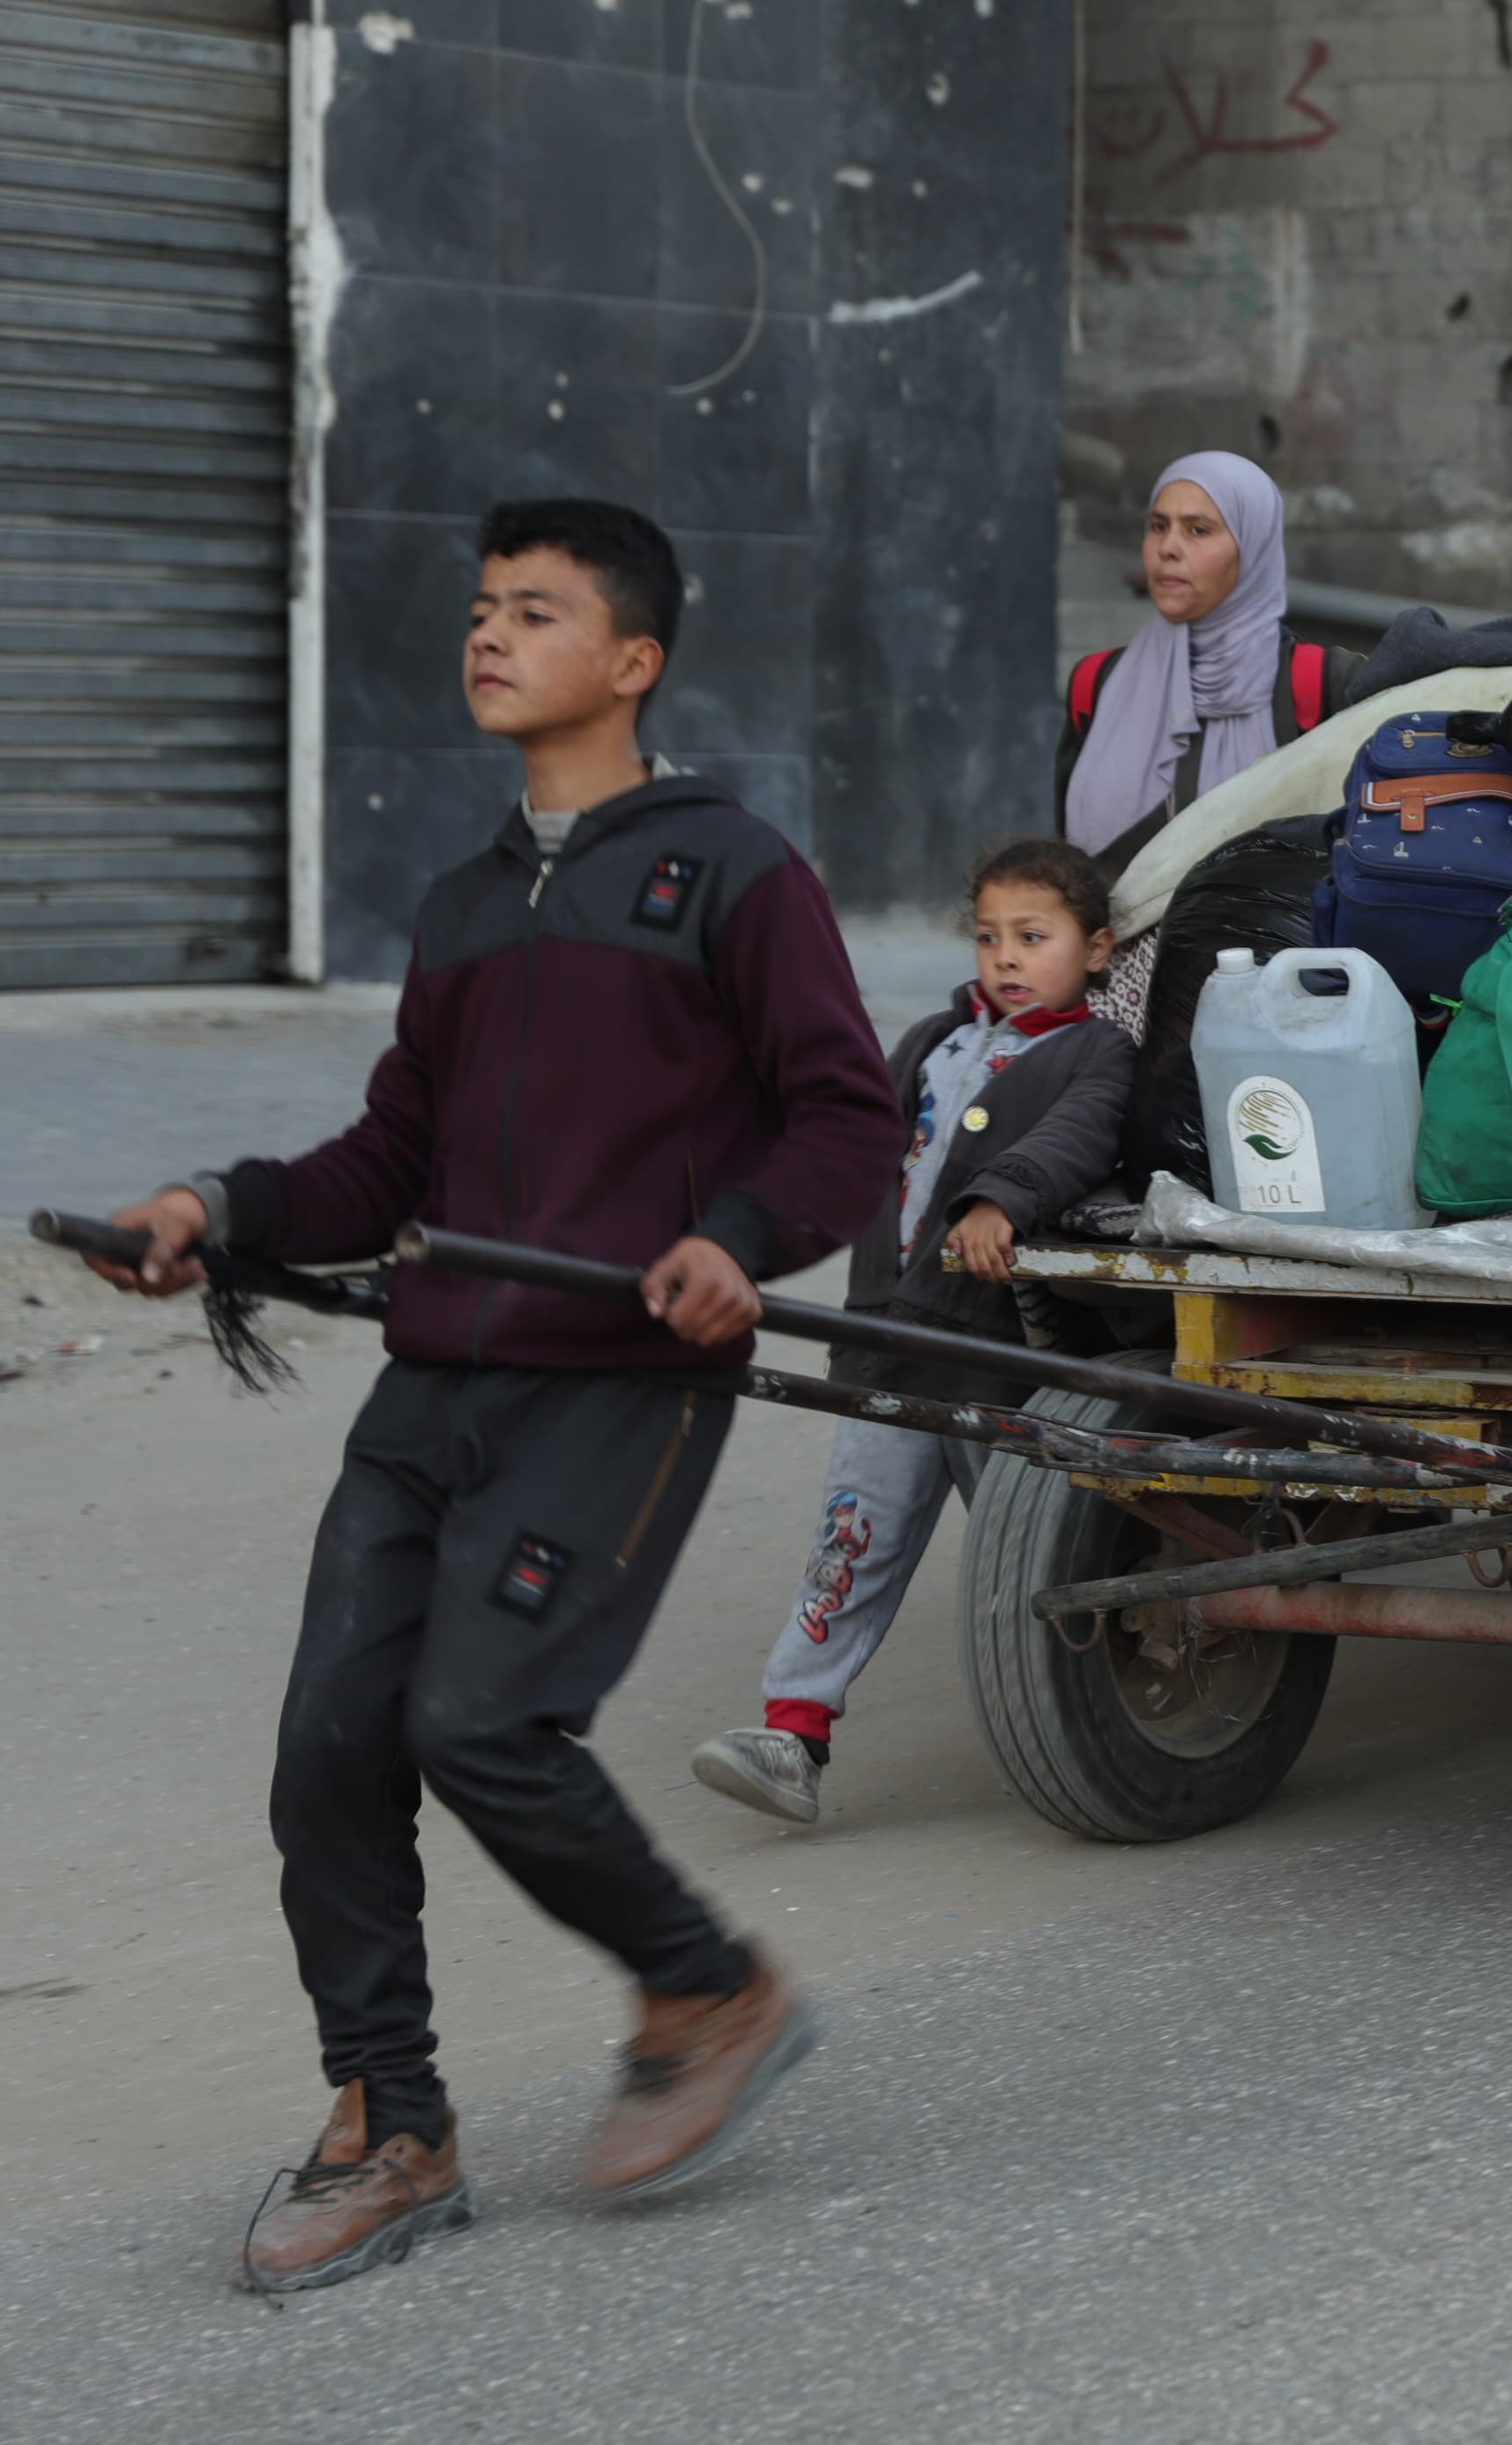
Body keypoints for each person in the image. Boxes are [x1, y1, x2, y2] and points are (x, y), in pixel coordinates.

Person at [85, 499, 901, 2288]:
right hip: (436, 1378)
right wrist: (218, 1213)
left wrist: (738, 1242)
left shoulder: (733, 873)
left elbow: (849, 1113)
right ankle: (391, 2122)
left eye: (534, 612)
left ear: (631, 661)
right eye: (481, 608)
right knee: (326, 1756)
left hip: (621, 1380)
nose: (489, 634)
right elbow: (393, 1157)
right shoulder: (463, 904)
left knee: (481, 1722)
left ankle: (708, 1985)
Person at [691, 839, 1133, 1827]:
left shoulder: (1094, 1050)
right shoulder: (936, 1036)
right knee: (854, 1533)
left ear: (1096, 948)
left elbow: (1080, 1135)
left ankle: (1118, 1690)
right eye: (989, 937)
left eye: (1034, 936)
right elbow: (855, 1138)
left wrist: (999, 1200)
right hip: (889, 1332)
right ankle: (792, 1732)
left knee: (1034, 1549)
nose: (1006, 957)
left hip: (996, 1349)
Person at [1059, 451, 1361, 1031]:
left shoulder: (1321, 683)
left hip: (1274, 1004)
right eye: (1158, 526)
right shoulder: (1096, 685)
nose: (1168, 547)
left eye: (1199, 530)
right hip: (1116, 1016)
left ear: (1253, 549)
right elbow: (1070, 874)